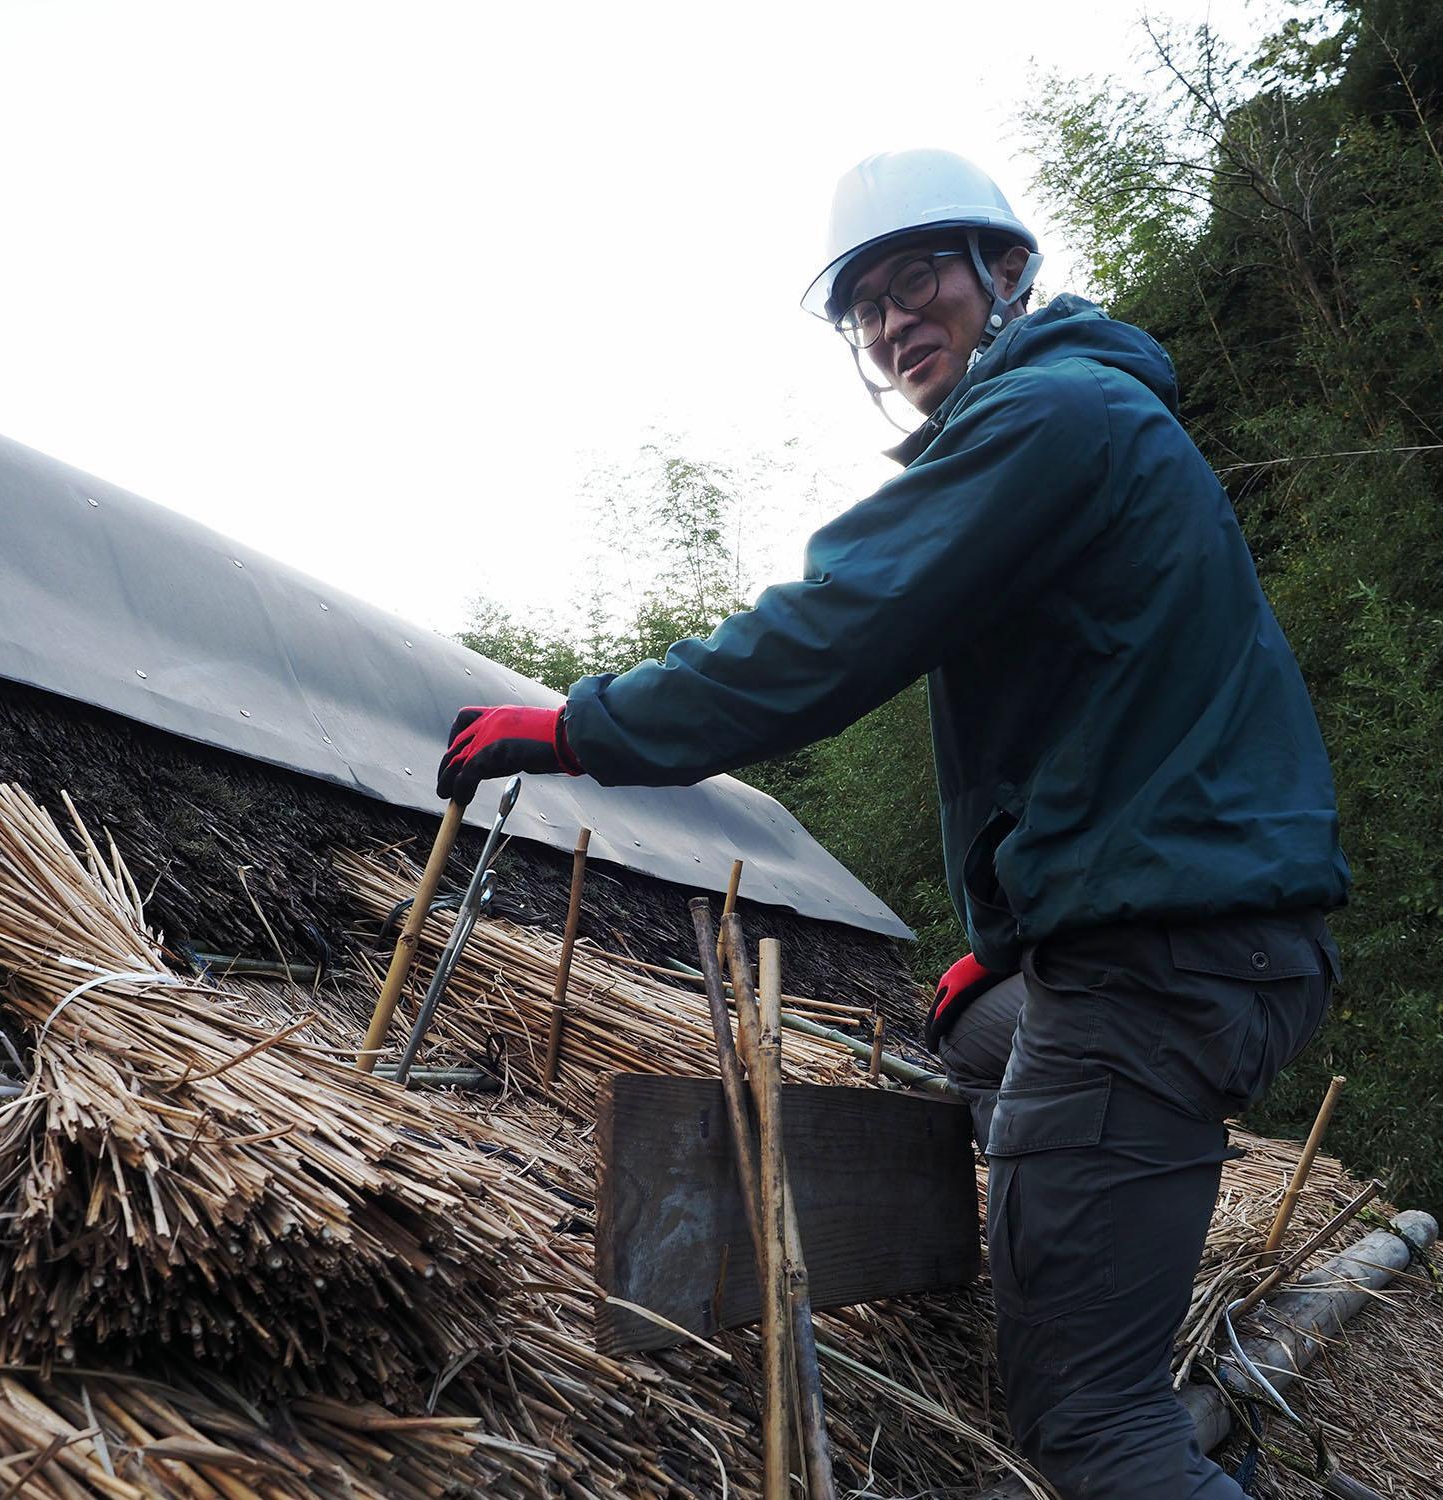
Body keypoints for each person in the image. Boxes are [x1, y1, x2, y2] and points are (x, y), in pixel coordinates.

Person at [435, 147, 1350, 1498]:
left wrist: (583, 728)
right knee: (976, 1026)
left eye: (917, 275)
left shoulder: (1047, 422)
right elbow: (1114, 739)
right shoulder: (1090, 417)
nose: (891, 320)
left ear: (1007, 271)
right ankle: (1056, 1208)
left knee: (1092, 1432)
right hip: (1206, 935)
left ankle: (1082, 1274)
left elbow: (827, 639)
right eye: (863, 306)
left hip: (1165, 972)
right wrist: (1027, 940)